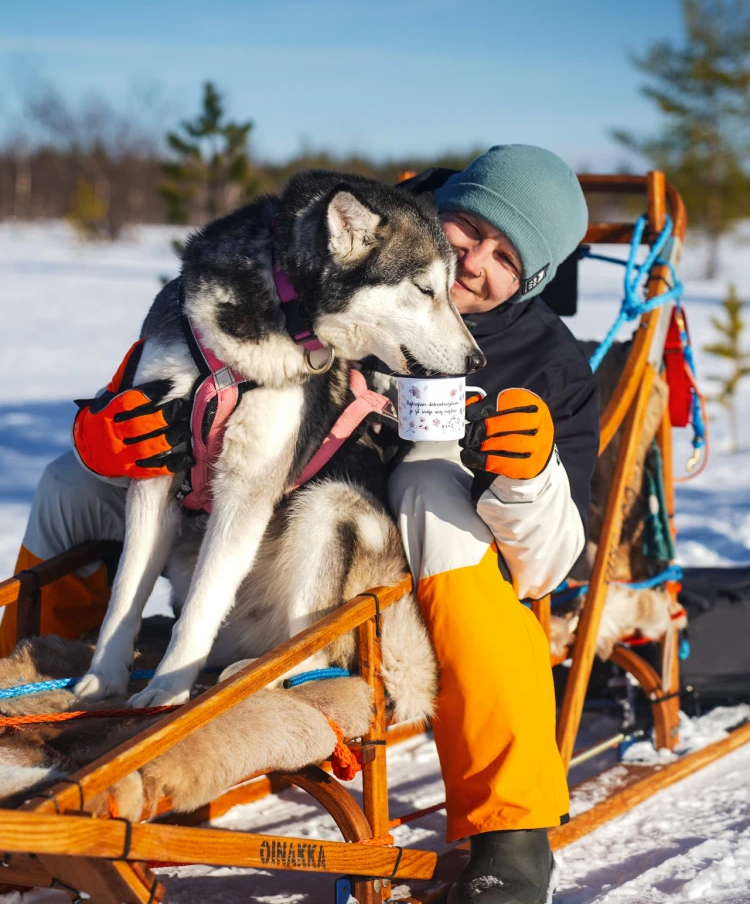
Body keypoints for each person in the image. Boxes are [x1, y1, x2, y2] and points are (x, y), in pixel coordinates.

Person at [0, 145, 598, 904]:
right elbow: (198, 333)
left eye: (505, 256)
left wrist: (530, 475)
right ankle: (25, 693)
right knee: (69, 480)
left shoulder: (548, 365)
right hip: (236, 523)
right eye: (467, 229)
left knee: (428, 486)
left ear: (533, 280)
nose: (474, 261)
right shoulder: (358, 238)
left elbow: (550, 565)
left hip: (374, 577)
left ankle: (510, 834)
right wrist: (108, 421)